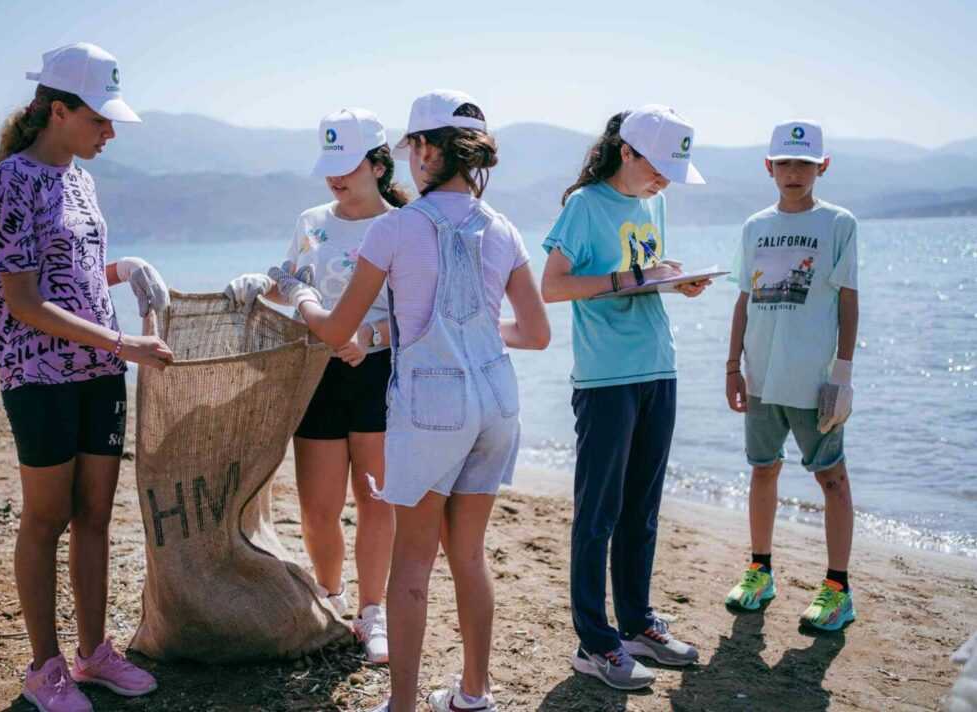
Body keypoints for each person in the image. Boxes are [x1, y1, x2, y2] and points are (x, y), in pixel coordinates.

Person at [268, 89, 550, 712]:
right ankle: (474, 695)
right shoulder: (502, 227)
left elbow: (338, 330)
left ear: (422, 150)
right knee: (470, 556)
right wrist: (474, 333)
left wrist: (300, 294)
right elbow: (535, 334)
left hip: (433, 406)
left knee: (414, 563)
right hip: (498, 402)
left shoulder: (395, 227)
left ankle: (401, 705)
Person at [0, 43, 173, 712]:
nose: (110, 131)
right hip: (40, 376)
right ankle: (45, 669)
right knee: (46, 517)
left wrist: (124, 270)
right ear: (57, 111)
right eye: (99, 118)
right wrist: (123, 341)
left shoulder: (81, 180)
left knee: (94, 514)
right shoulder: (13, 180)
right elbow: (23, 300)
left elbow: (75, 275)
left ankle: (94, 654)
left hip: (98, 372)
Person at [224, 108, 409, 664]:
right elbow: (290, 284)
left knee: (375, 501)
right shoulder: (311, 221)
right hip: (315, 373)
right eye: (331, 164)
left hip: (378, 375)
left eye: (348, 165)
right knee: (318, 508)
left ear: (379, 166)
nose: (336, 176)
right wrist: (260, 284)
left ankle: (372, 612)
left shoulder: (404, 226)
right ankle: (331, 599)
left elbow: (424, 314)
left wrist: (371, 336)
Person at [540, 105, 708, 690]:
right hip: (606, 378)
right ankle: (594, 642)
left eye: (672, 173)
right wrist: (634, 279)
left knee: (642, 510)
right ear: (626, 152)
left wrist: (670, 281)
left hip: (658, 366)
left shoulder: (653, 202)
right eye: (658, 168)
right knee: (598, 515)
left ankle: (636, 625)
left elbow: (642, 273)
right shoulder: (585, 205)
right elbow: (552, 287)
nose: (664, 182)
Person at [723, 120, 859, 632]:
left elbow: (848, 299)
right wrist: (732, 366)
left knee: (832, 477)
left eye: (805, 163)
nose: (794, 172)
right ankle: (760, 572)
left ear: (823, 167)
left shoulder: (838, 223)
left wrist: (842, 372)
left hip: (814, 380)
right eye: (785, 163)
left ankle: (838, 589)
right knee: (763, 469)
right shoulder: (754, 226)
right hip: (760, 376)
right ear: (769, 167)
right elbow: (744, 298)